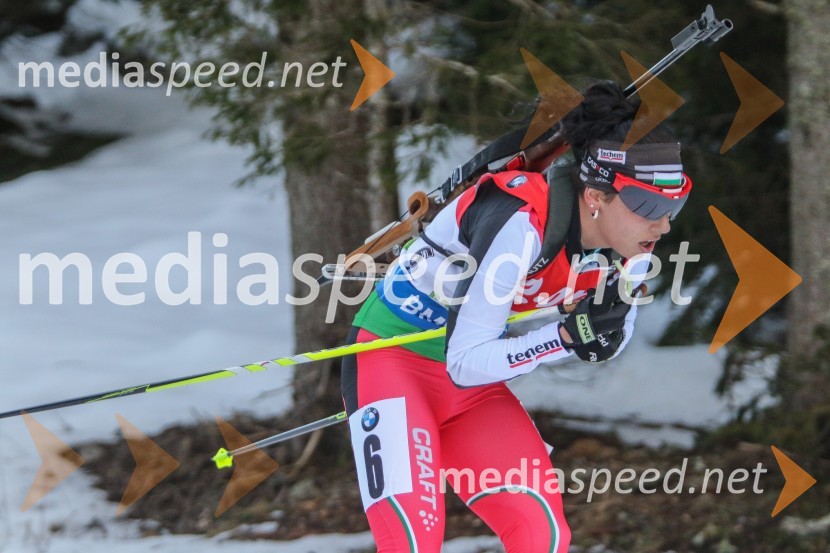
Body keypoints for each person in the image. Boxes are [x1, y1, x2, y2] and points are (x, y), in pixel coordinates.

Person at [341, 81, 692, 553]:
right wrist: (563, 337)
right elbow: (466, 358)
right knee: (412, 543)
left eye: (676, 204)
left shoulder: (628, 249)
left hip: (469, 393)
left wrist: (593, 337)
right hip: (390, 362)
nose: (664, 223)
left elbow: (609, 337)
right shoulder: (522, 223)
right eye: (650, 205)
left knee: (542, 535)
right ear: (596, 196)